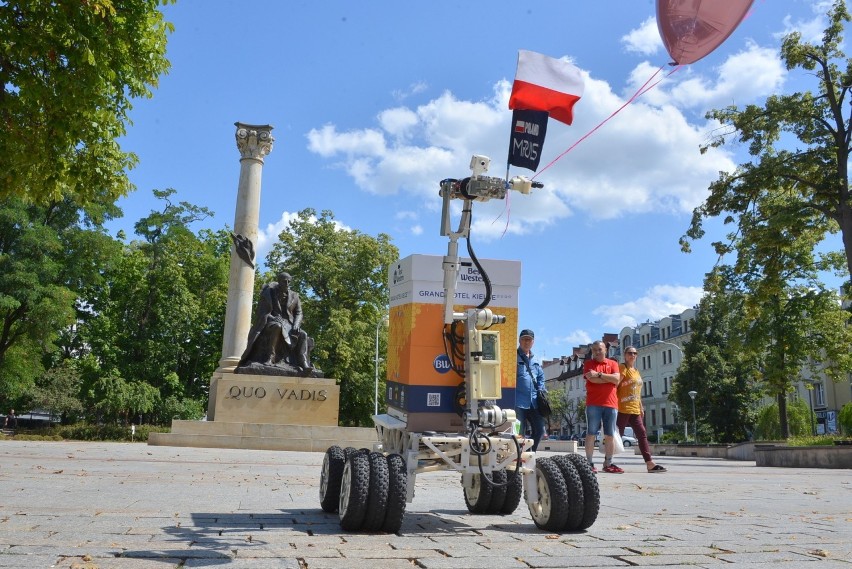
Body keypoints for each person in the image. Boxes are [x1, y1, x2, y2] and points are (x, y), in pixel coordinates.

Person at [239, 272, 311, 370]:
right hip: (271, 322)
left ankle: (303, 363)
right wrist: (273, 318)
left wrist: (296, 325)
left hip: (289, 324)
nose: (287, 284)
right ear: (279, 281)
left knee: (303, 334)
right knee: (277, 326)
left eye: (289, 281)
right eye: (284, 281)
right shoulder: (269, 293)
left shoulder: (295, 296)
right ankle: (270, 358)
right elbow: (262, 312)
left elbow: (299, 313)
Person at [618, 348, 667, 472]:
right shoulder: (623, 368)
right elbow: (615, 386)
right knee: (616, 436)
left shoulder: (636, 371)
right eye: (630, 353)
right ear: (625, 355)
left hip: (635, 409)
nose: (633, 355)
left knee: (642, 434)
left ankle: (649, 463)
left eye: (635, 353)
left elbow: (637, 391)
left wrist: (640, 406)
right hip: (622, 408)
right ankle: (608, 462)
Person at [583, 340, 622, 473]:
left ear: (605, 350)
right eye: (594, 350)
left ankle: (608, 463)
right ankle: (589, 463)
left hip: (611, 403)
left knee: (610, 434)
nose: (597, 352)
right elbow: (591, 379)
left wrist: (599, 374)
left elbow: (617, 379)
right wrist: (609, 378)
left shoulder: (613, 363)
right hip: (593, 403)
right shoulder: (588, 364)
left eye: (600, 349)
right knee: (591, 433)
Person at [515, 329, 547, 452]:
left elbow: (540, 376)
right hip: (518, 401)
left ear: (533, 342)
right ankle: (517, 458)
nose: (526, 342)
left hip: (534, 402)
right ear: (519, 340)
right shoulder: (514, 357)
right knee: (519, 432)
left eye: (529, 339)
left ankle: (529, 453)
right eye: (524, 339)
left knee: (540, 430)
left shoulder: (535, 359)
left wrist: (540, 388)